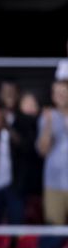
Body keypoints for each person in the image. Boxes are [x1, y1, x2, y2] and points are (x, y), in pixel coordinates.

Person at [37, 80, 68, 226]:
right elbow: (43, 150)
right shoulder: (47, 117)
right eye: (57, 93)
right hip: (54, 184)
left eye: (63, 92)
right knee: (54, 231)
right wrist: (48, 125)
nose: (60, 96)